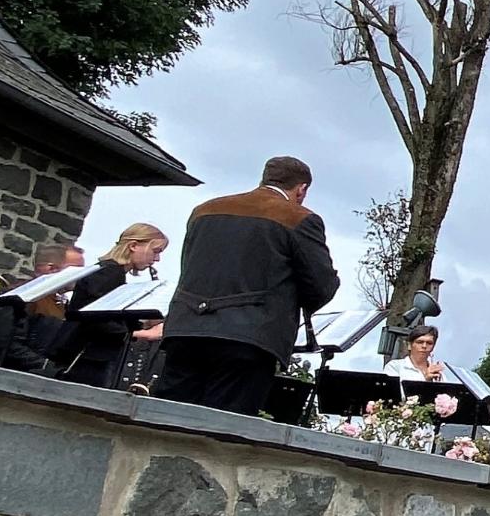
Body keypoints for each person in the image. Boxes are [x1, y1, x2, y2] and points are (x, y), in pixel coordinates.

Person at [151, 156, 339, 416]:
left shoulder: (205, 210)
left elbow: (191, 265)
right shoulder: (298, 218)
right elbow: (320, 285)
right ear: (302, 189)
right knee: (222, 425)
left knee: (166, 417)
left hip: (187, 329)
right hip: (249, 336)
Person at [60, 224, 168, 388]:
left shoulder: (111, 272)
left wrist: (145, 322)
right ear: (133, 246)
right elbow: (94, 318)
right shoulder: (109, 273)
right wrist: (143, 333)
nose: (157, 259)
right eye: (155, 251)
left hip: (90, 355)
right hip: (85, 356)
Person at [0, 242, 85, 373]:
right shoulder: (17, 296)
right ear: (52, 269)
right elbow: (0, 344)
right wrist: (47, 366)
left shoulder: (62, 305)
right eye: (76, 269)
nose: (83, 275)